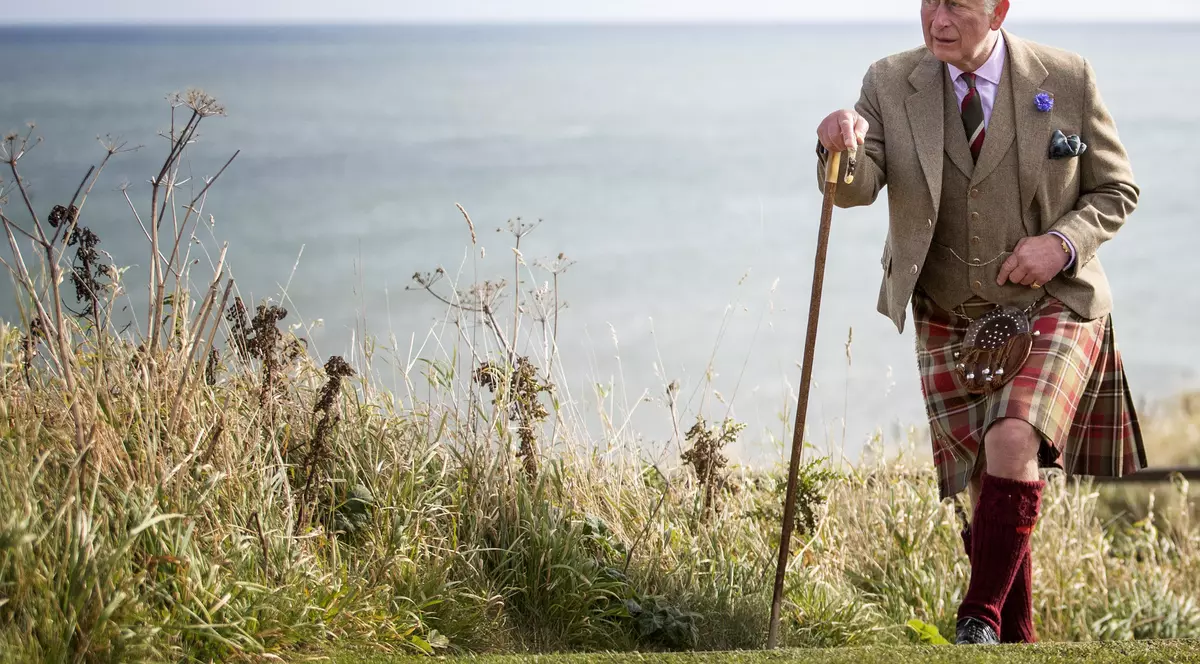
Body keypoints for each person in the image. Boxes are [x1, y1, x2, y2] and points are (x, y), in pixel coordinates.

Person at [814, 0, 1147, 645]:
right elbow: (852, 189)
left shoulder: (1067, 77)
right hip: (949, 314)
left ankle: (977, 619)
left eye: (957, 6)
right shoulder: (888, 81)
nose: (937, 19)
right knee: (983, 484)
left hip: (1053, 301)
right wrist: (837, 146)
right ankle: (1012, 638)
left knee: (1013, 438)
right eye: (928, 2)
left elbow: (1115, 189)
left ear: (998, 9)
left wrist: (1063, 242)